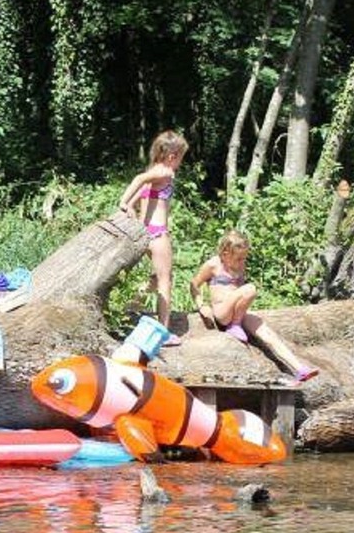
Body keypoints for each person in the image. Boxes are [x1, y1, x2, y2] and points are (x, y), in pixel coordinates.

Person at [188, 229, 320, 383]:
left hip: (238, 311)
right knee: (250, 289)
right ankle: (234, 326)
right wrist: (201, 305)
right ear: (225, 254)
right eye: (238, 259)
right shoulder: (212, 265)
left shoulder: (241, 265)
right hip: (222, 313)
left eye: (244, 258)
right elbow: (194, 284)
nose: (242, 262)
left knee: (267, 333)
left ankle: (299, 369)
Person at [118, 129, 189, 346]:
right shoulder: (165, 173)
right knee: (166, 280)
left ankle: (130, 307)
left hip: (143, 233)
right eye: (181, 158)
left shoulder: (154, 171)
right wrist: (123, 201)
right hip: (158, 234)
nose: (180, 163)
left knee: (157, 279)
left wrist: (130, 205)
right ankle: (163, 333)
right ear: (172, 156)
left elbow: (142, 190)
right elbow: (139, 179)